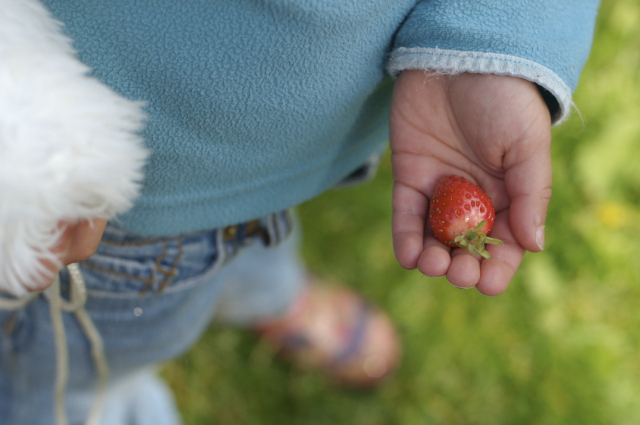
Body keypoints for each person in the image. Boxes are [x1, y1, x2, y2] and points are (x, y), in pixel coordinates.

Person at [0, 0, 600, 424]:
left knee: (259, 240)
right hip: (103, 192)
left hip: (290, 162)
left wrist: (496, 35)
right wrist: (32, 162)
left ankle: (261, 290)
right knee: (77, 378)